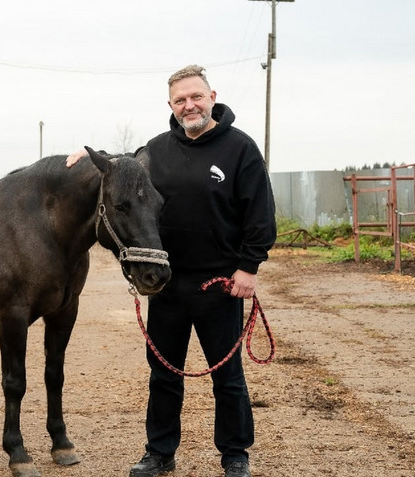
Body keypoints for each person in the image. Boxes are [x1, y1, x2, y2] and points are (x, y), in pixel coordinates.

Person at [66, 65, 276, 477]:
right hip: (164, 282)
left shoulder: (241, 149)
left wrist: (248, 267)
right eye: (180, 100)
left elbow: (261, 214)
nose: (189, 105)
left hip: (220, 285)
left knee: (228, 377)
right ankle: (160, 452)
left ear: (212, 97)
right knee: (163, 375)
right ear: (170, 105)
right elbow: (121, 168)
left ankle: (235, 454)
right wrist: (90, 157)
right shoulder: (155, 151)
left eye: (196, 96)